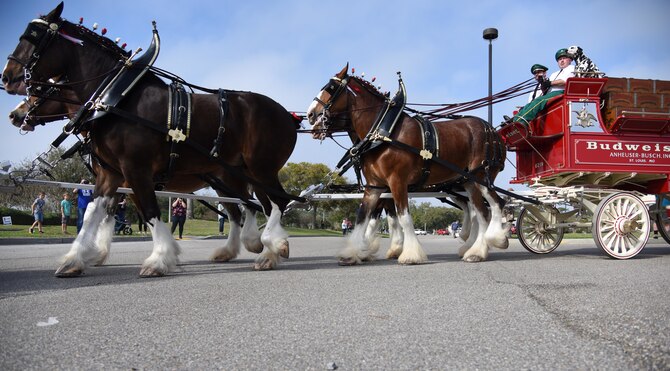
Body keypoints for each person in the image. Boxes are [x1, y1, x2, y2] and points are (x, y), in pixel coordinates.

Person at [508, 48, 576, 126]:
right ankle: (514, 120)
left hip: (561, 93)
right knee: (530, 104)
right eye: (559, 59)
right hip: (551, 94)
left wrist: (549, 83)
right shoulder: (554, 74)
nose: (562, 61)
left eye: (564, 58)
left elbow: (565, 82)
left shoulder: (571, 68)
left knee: (539, 101)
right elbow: (547, 88)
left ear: (570, 60)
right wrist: (544, 85)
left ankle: (521, 121)